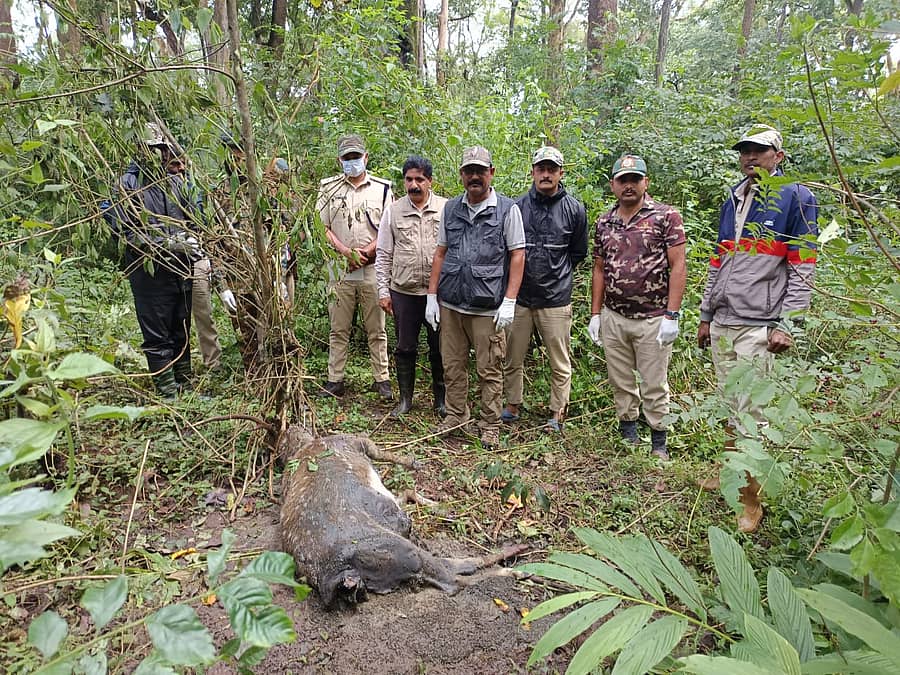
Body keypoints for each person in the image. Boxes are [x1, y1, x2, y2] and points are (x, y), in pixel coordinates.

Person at [697, 124, 818, 533]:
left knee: (755, 415)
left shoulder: (797, 198)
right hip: (725, 320)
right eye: (745, 150)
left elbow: (803, 264)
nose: (750, 157)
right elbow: (719, 259)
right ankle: (731, 475)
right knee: (731, 406)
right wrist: (705, 314)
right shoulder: (734, 198)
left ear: (777, 157)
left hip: (758, 325)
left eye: (759, 151)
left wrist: (788, 322)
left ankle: (752, 500)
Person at [426, 146, 526, 448]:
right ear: (461, 175)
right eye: (469, 171)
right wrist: (432, 295)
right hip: (453, 303)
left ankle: (490, 423)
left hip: (488, 306)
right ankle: (456, 415)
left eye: (480, 171)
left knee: (489, 369)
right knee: (452, 365)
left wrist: (509, 300)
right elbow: (441, 252)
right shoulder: (451, 209)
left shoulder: (508, 210)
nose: (474, 177)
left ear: (491, 173)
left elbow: (518, 256)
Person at [588, 154, 686, 460]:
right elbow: (599, 268)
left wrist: (672, 313)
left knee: (654, 383)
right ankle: (628, 433)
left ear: (646, 182)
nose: (628, 186)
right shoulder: (605, 221)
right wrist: (595, 314)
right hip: (615, 315)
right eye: (622, 180)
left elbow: (678, 264)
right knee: (621, 380)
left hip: (653, 318)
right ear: (613, 185)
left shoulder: (665, 216)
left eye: (634, 180)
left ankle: (659, 442)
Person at [102, 123, 204, 398]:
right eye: (151, 149)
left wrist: (192, 240)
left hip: (182, 267)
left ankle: (186, 385)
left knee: (181, 325)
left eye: (160, 149)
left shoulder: (176, 182)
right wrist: (167, 243)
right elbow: (124, 232)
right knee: (157, 332)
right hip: (149, 272)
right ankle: (168, 392)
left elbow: (195, 218)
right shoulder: (127, 185)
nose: (157, 155)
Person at [502, 146, 588, 432]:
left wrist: (557, 276)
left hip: (556, 298)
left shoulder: (574, 209)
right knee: (513, 356)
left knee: (559, 361)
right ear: (533, 172)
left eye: (552, 169)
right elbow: (508, 250)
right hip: (521, 296)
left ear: (561, 173)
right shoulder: (517, 206)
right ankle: (512, 405)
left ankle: (557, 412)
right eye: (542, 169)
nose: (546, 174)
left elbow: (578, 253)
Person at [316, 134, 394, 399]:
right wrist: (346, 252)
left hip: (372, 268)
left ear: (365, 157)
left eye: (356, 157)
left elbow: (388, 228)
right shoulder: (328, 189)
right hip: (339, 269)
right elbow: (321, 227)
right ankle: (335, 379)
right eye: (347, 158)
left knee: (377, 328)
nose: (352, 162)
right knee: (338, 328)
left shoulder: (382, 189)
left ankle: (382, 379)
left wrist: (366, 252)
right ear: (340, 159)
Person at [375, 156, 448, 417]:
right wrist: (384, 291)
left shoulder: (445, 208)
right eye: (409, 179)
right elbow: (383, 254)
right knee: (405, 347)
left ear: (430, 181)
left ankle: (441, 401)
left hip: (437, 293)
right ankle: (406, 400)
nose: (414, 184)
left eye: (419, 179)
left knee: (440, 347)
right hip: (404, 292)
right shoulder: (393, 211)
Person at [165, 153, 235, 372]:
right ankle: (198, 365)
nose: (181, 168)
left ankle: (216, 363)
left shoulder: (194, 189)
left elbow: (209, 230)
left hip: (200, 258)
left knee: (207, 311)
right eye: (175, 164)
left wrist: (219, 279)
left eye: (183, 163)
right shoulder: (159, 190)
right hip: (174, 262)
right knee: (185, 317)